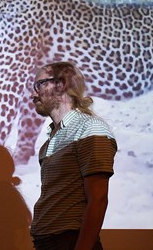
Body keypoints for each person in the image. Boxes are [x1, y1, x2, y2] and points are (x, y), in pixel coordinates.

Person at [29, 62, 117, 250]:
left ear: (61, 85)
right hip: (48, 243)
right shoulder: (51, 139)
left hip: (70, 241)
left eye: (39, 85)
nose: (33, 94)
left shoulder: (90, 128)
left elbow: (98, 199)